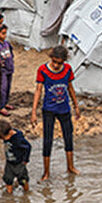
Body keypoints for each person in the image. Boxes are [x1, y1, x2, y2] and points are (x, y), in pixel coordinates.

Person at [31, 44, 80, 180]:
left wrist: (76, 106)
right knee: (48, 140)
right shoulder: (42, 70)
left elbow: (70, 88)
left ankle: (70, 167)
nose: (57, 65)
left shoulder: (68, 70)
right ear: (51, 58)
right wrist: (33, 111)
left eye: (60, 63)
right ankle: (46, 172)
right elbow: (38, 91)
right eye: (54, 62)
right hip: (49, 110)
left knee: (68, 137)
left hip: (64, 109)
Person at [0, 118, 31, 195]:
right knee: (8, 178)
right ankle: (9, 193)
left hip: (19, 163)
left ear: (10, 132)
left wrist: (25, 160)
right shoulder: (6, 133)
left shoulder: (18, 139)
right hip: (9, 162)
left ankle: (26, 193)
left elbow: (28, 147)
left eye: (3, 138)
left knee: (23, 180)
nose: (3, 139)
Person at [0, 23, 15, 114]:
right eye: (2, 33)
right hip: (2, 70)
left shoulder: (6, 44)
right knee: (3, 88)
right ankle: (1, 106)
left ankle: (5, 102)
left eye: (5, 33)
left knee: (8, 87)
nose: (5, 35)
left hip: (9, 68)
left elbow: (11, 53)